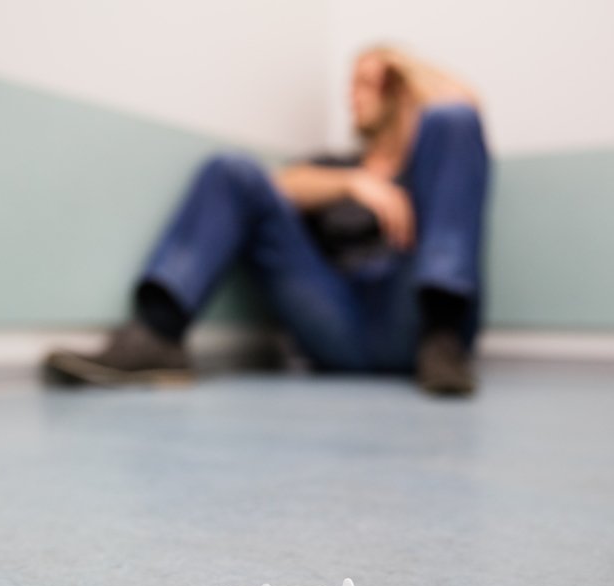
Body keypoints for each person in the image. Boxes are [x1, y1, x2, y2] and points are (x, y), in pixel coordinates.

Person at [44, 44, 490, 396]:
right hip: (335, 320)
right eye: (351, 83)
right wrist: (353, 183)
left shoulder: (430, 162)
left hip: (412, 318)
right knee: (231, 169)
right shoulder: (332, 166)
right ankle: (156, 334)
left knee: (453, 119)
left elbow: (465, 111)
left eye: (371, 82)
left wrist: (403, 67)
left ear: (399, 89)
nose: (354, 93)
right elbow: (275, 185)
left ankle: (443, 333)